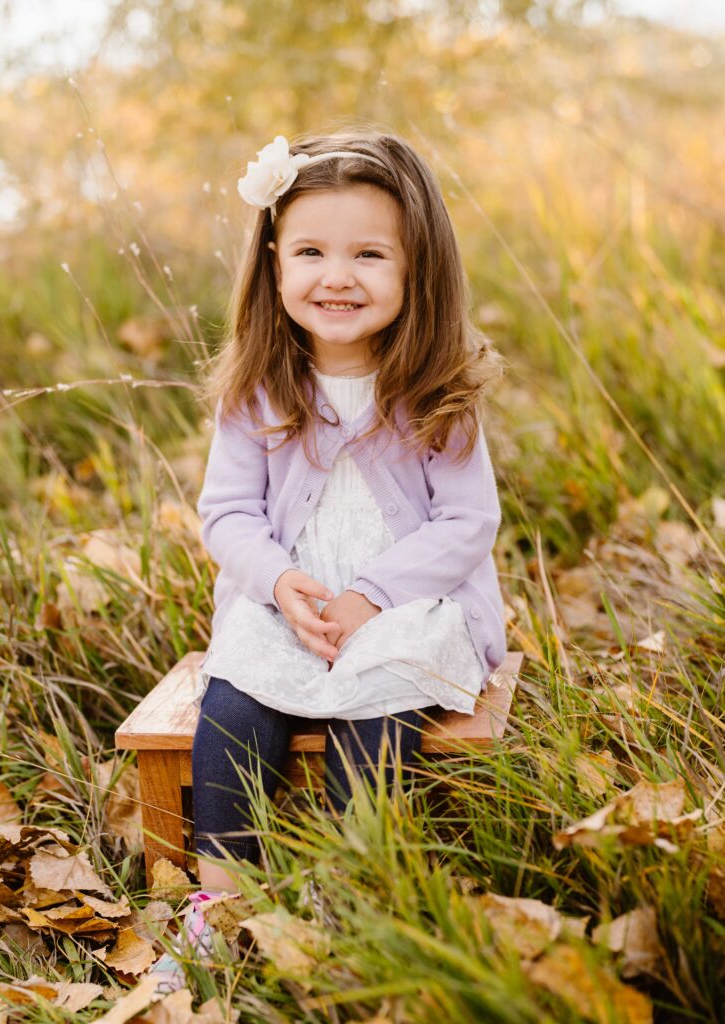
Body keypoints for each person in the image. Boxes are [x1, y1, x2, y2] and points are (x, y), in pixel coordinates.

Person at [151, 128, 507, 980]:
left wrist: (374, 597)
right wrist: (278, 582)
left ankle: (349, 898)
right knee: (234, 708)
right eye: (310, 250)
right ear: (273, 262)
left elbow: (466, 524)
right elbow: (227, 513)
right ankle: (223, 904)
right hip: (290, 601)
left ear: (417, 268)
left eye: (369, 254)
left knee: (376, 712)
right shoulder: (257, 387)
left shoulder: (438, 390)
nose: (336, 275)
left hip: (408, 608)